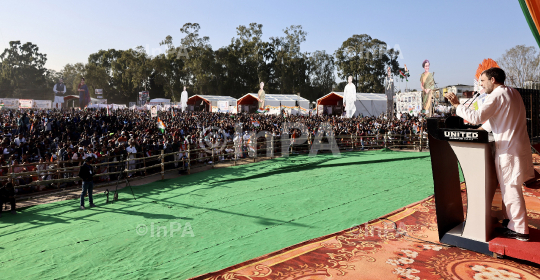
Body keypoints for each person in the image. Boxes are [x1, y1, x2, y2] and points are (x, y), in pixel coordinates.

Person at [446, 67, 535, 242]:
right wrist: (479, 131)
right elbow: (497, 120)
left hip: (508, 150)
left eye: (482, 82)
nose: (481, 86)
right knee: (510, 187)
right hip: (517, 147)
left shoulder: (496, 95)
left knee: (511, 189)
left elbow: (478, 116)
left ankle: (519, 229)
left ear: (493, 80)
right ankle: (512, 221)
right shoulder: (512, 93)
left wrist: (457, 105)